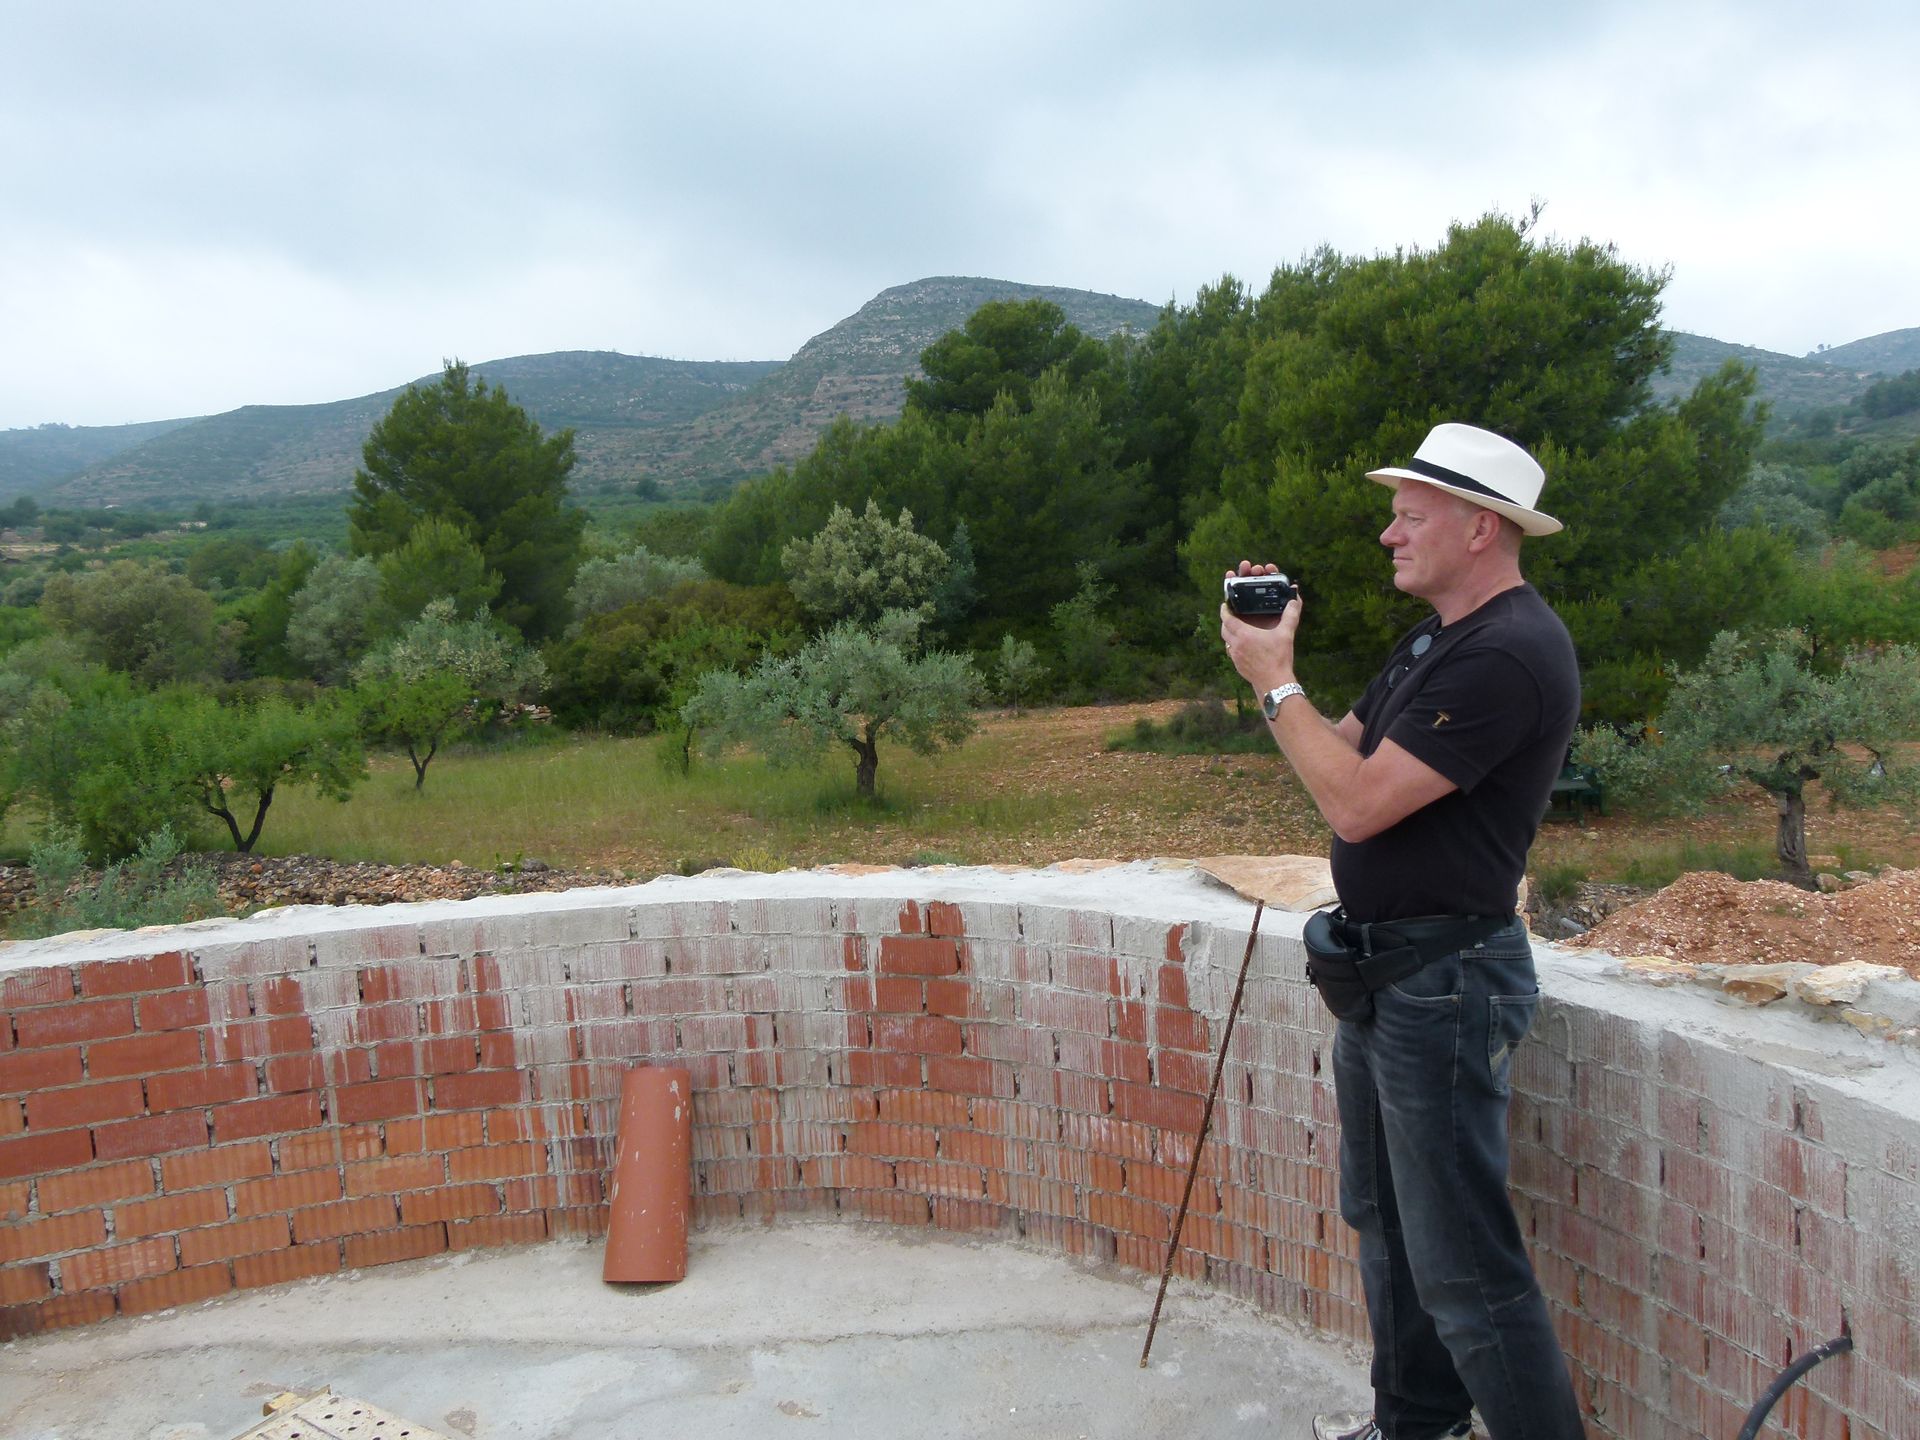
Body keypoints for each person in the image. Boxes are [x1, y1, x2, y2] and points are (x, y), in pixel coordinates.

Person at [1218, 422, 1586, 1440]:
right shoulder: (1439, 638)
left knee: (1466, 1265)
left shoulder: (1510, 653)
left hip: (1448, 984)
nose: (1388, 534)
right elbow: (1337, 753)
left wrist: (1271, 680)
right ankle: (1415, 1426)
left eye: (1408, 515)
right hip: (1392, 981)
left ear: (1478, 527)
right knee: (1387, 1227)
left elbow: (1358, 806)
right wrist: (1271, 656)